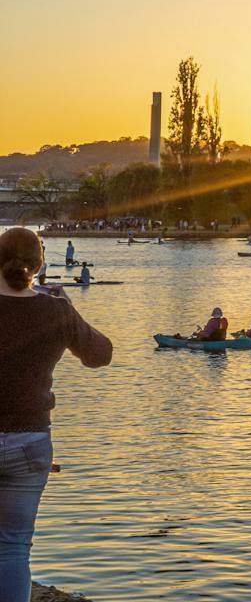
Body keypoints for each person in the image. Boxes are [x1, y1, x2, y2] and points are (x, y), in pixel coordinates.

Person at [1, 227, 113, 602]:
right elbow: (100, 355)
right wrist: (67, 308)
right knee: (14, 548)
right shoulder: (56, 310)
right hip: (30, 442)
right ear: (39, 265)